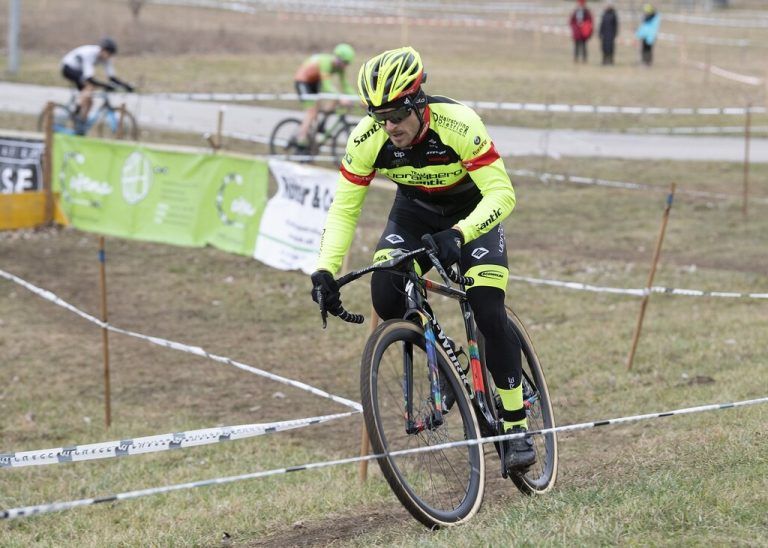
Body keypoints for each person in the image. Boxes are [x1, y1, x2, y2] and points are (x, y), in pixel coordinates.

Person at [310, 47, 535, 472]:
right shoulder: (367, 138)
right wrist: (325, 268)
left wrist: (460, 233)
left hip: (472, 214)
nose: (389, 126)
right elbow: (344, 208)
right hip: (414, 213)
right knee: (386, 290)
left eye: (396, 114)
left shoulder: (458, 123)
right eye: (380, 117)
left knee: (488, 307)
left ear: (418, 103)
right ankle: (446, 363)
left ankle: (516, 426)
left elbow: (502, 193)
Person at [60, 38, 134, 135]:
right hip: (68, 67)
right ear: (102, 50)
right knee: (90, 86)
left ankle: (81, 125)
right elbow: (89, 78)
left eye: (111, 55)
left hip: (80, 71)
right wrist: (105, 85)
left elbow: (112, 77)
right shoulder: (90, 54)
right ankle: (76, 112)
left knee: (90, 102)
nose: (109, 57)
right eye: (109, 54)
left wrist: (126, 86)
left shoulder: (106, 59)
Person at [293, 43, 356, 150]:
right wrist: (341, 97)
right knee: (312, 111)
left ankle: (321, 125)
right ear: (338, 58)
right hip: (302, 81)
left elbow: (345, 85)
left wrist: (358, 98)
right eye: (344, 62)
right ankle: (301, 137)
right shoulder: (326, 63)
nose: (345, 66)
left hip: (315, 81)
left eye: (347, 63)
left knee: (333, 101)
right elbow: (327, 86)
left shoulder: (340, 67)